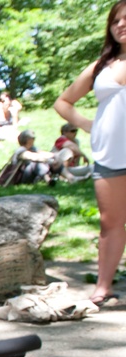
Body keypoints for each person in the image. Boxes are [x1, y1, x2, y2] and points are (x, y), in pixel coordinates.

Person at [55, 0, 126, 306]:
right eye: (116, 21)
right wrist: (89, 125)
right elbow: (63, 102)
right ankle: (103, 286)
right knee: (110, 222)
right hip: (110, 154)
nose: (121, 25)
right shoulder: (101, 65)